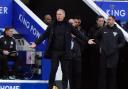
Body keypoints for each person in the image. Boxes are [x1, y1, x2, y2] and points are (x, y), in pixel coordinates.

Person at [30, 9, 95, 89]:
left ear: (64, 15)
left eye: (60, 14)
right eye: (57, 14)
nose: (58, 16)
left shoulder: (68, 25)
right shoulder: (52, 25)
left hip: (65, 52)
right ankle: (50, 87)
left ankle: (64, 87)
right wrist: (36, 43)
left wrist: (87, 39)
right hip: (55, 52)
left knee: (65, 71)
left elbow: (78, 34)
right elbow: (44, 35)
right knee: (53, 70)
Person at [96, 16, 125, 89]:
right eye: (107, 20)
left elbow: (123, 42)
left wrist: (116, 47)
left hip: (113, 57)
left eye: (109, 20)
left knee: (112, 76)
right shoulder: (103, 29)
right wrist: (100, 46)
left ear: (114, 21)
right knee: (102, 75)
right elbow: (96, 37)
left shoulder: (118, 30)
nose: (108, 21)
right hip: (104, 56)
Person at [88, 15, 105, 89]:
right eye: (100, 21)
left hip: (104, 55)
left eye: (103, 21)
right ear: (97, 21)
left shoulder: (106, 29)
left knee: (102, 73)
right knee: (94, 72)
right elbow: (92, 40)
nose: (101, 22)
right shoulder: (92, 29)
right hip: (94, 54)